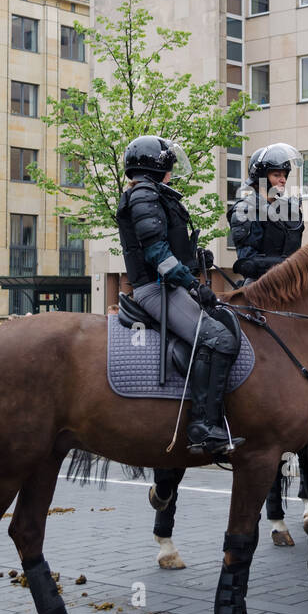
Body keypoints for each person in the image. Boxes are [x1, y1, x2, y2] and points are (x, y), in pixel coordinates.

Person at [116, 135, 242, 455]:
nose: (171, 171)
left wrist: (194, 258)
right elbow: (157, 254)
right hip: (156, 290)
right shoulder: (144, 194)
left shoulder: (150, 193)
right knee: (219, 339)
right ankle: (202, 425)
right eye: (168, 165)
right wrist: (192, 284)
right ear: (155, 167)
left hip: (166, 284)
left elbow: (165, 244)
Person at [227, 143, 305, 285]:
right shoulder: (245, 210)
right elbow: (248, 263)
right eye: (277, 175)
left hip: (292, 285)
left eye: (284, 175)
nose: (283, 180)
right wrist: (290, 265)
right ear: (261, 177)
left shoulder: (288, 210)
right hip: (260, 287)